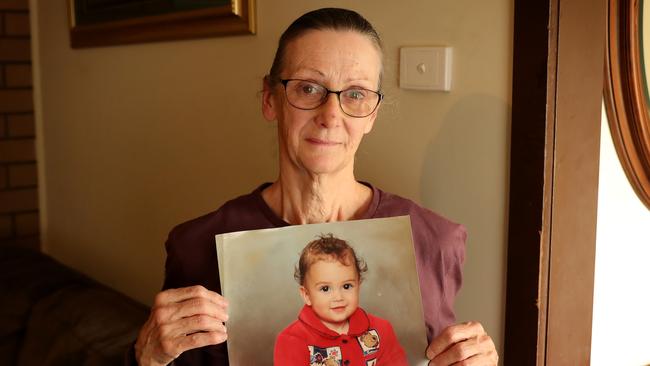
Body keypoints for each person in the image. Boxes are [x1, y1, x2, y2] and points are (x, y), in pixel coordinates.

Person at [131, 7, 498, 366]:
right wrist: (146, 360)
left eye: (355, 94)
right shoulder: (196, 247)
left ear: (372, 114)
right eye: (309, 88)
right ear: (270, 99)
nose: (331, 116)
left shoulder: (435, 241)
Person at [274, 234, 408, 366]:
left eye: (346, 286)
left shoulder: (381, 329)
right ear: (306, 295)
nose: (338, 297)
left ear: (358, 286)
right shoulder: (292, 341)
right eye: (325, 288)